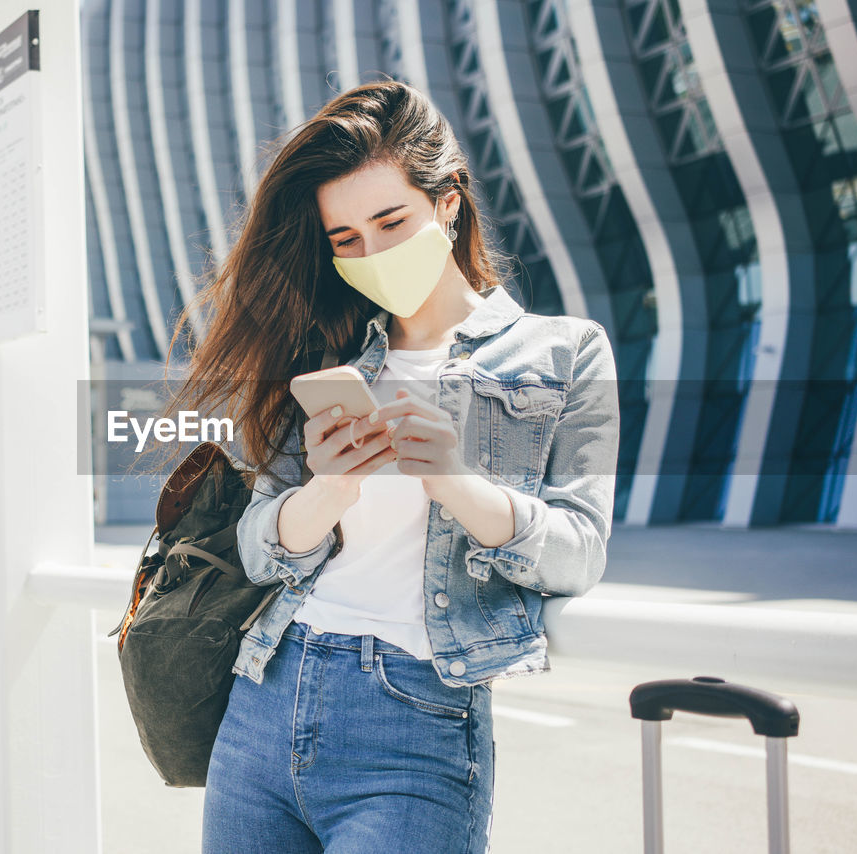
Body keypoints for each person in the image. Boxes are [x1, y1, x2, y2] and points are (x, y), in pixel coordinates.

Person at [154, 79, 620, 853]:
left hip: (415, 721)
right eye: (346, 240)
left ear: (448, 201)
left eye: (390, 221)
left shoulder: (564, 352)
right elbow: (260, 545)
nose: (371, 253)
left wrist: (455, 480)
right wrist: (332, 487)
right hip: (268, 695)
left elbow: (580, 551)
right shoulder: (329, 359)